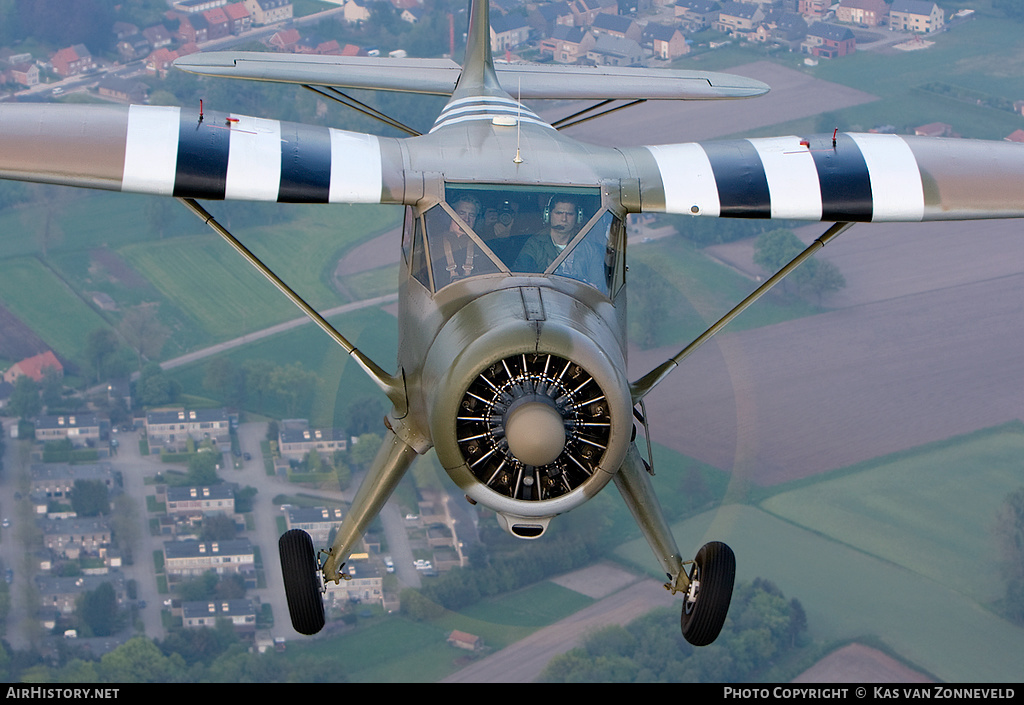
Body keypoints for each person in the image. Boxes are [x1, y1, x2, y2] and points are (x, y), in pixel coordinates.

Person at [514, 196, 604, 287]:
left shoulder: (589, 249)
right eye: (559, 213)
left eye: (569, 214)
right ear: (548, 215)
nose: (564, 219)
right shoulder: (535, 244)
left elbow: (598, 285)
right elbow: (521, 278)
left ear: (578, 217)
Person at [432, 196, 487, 285]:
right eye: (461, 213)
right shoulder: (434, 245)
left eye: (471, 215)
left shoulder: (483, 247)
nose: (466, 219)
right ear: (450, 215)